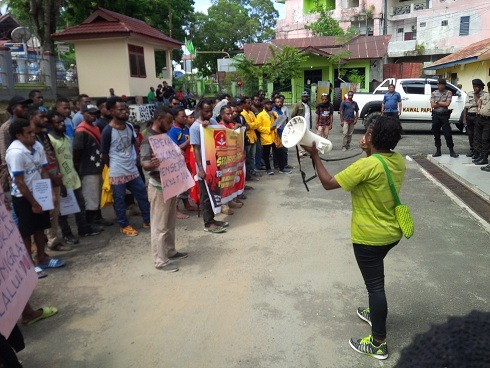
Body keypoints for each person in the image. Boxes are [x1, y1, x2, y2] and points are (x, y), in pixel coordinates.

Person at [302, 116, 405, 360]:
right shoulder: (397, 160)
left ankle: (378, 343)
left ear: (373, 138)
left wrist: (315, 156)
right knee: (376, 284)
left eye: (369, 132)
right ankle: (375, 313)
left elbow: (328, 183)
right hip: (391, 233)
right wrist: (369, 151)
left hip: (369, 237)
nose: (365, 135)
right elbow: (375, 171)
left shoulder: (366, 165)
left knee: (375, 288)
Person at [5, 119, 65, 269]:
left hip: (39, 192)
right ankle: (30, 264)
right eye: (29, 133)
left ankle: (42, 257)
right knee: (26, 231)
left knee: (40, 227)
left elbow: (44, 170)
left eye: (33, 131)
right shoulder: (15, 153)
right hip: (23, 197)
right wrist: (34, 203)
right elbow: (19, 182)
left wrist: (50, 194)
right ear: (18, 135)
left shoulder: (37, 146)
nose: (33, 135)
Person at [141, 107, 188, 272]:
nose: (170, 125)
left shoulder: (162, 136)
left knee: (169, 222)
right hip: (158, 186)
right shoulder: (148, 138)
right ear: (159, 119)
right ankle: (160, 260)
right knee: (159, 225)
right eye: (168, 122)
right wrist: (152, 164)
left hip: (170, 183)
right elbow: (145, 163)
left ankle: (170, 250)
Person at [48, 111, 103, 243]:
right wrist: (59, 183)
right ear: (51, 124)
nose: (61, 124)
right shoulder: (50, 140)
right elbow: (52, 162)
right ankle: (67, 234)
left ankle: (83, 229)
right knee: (63, 211)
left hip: (73, 177)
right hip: (60, 180)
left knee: (80, 205)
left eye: (62, 121)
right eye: (57, 122)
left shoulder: (66, 138)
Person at [101, 97, 151, 236]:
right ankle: (124, 225)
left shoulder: (129, 126)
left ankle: (147, 220)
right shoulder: (107, 131)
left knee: (142, 194)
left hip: (132, 169)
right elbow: (104, 153)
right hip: (117, 171)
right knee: (119, 200)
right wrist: (112, 166)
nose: (125, 112)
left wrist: (136, 157)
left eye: (126, 109)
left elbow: (134, 141)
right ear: (111, 111)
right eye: (121, 109)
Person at [29, 107, 72, 252]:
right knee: (43, 214)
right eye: (41, 116)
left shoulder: (44, 135)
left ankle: (54, 242)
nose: (45, 119)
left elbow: (52, 157)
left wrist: (57, 174)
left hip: (52, 176)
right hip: (39, 180)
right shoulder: (29, 137)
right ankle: (43, 246)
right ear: (31, 117)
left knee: (54, 212)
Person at [189, 99, 228, 233]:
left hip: (214, 164)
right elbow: (196, 149)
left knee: (214, 192)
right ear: (199, 110)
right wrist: (200, 168)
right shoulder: (195, 127)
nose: (209, 113)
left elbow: (220, 134)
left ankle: (212, 219)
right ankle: (207, 223)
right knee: (205, 195)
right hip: (204, 167)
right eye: (206, 111)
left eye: (211, 111)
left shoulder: (212, 122)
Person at [73, 104, 113, 228]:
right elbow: (77, 151)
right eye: (90, 113)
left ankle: (98, 216)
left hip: (97, 165)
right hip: (88, 167)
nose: (93, 116)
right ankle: (91, 219)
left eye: (95, 113)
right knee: (90, 194)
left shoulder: (94, 127)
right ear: (83, 113)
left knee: (97, 193)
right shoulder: (81, 131)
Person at [167, 106, 198, 218]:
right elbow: (175, 148)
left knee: (186, 184)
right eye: (183, 116)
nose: (185, 118)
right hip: (177, 162)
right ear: (175, 117)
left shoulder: (186, 129)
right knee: (178, 187)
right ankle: (175, 210)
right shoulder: (172, 131)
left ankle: (187, 204)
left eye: (186, 116)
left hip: (187, 161)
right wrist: (189, 141)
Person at [256, 99, 291, 175]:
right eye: (267, 104)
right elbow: (259, 127)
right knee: (266, 154)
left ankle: (282, 168)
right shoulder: (260, 115)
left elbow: (279, 119)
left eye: (270, 104)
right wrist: (269, 129)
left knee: (280, 152)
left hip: (274, 137)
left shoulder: (273, 114)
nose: (269, 106)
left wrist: (275, 117)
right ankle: (268, 169)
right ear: (264, 105)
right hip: (266, 137)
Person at [430, 78, 459, 158]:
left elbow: (447, 104)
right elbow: (432, 105)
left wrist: (438, 103)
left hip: (444, 115)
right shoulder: (434, 93)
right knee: (436, 133)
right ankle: (438, 151)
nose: (440, 86)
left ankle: (451, 151)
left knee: (448, 134)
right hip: (436, 115)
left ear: (444, 85)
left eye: (441, 84)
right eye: (438, 84)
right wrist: (441, 103)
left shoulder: (448, 93)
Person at [464, 79, 485, 158]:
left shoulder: (484, 94)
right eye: (473, 86)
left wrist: (476, 97)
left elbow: (481, 104)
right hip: (469, 116)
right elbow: (466, 105)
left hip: (477, 116)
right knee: (470, 134)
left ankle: (478, 151)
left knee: (477, 135)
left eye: (476, 86)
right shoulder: (469, 93)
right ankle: (472, 150)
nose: (474, 88)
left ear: (480, 87)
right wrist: (464, 119)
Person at [241, 97, 260, 181]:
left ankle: (253, 171)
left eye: (250, 102)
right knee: (247, 157)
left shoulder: (251, 113)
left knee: (253, 156)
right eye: (248, 103)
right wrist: (252, 125)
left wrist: (252, 125)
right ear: (244, 104)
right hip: (247, 138)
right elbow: (247, 126)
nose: (250, 104)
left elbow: (257, 124)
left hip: (253, 137)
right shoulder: (243, 113)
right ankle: (248, 174)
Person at [291, 91, 312, 156]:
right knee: (299, 137)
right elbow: (293, 114)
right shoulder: (298, 104)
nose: (305, 98)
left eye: (306, 97)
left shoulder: (309, 104)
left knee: (305, 137)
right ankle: (300, 151)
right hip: (300, 124)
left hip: (307, 123)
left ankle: (304, 150)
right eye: (304, 97)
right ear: (302, 97)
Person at [475, 84, 490, 166]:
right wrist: (479, 108)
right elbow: (479, 101)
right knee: (479, 137)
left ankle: (485, 158)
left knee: (485, 139)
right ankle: (481, 156)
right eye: (489, 88)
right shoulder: (485, 94)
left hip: (488, 120)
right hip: (481, 118)